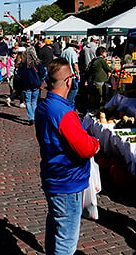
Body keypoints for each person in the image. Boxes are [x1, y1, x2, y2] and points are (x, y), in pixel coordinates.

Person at [35, 58, 100, 255]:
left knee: (55, 230)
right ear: (69, 81)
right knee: (66, 242)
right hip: (67, 181)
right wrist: (95, 143)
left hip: (53, 177)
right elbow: (85, 148)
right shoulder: (63, 111)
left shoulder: (44, 106)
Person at [16, 47, 46, 126]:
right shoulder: (37, 63)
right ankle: (35, 117)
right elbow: (43, 72)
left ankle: (31, 117)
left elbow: (19, 76)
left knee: (28, 102)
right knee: (34, 101)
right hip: (36, 84)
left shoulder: (23, 64)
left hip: (26, 85)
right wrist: (40, 79)